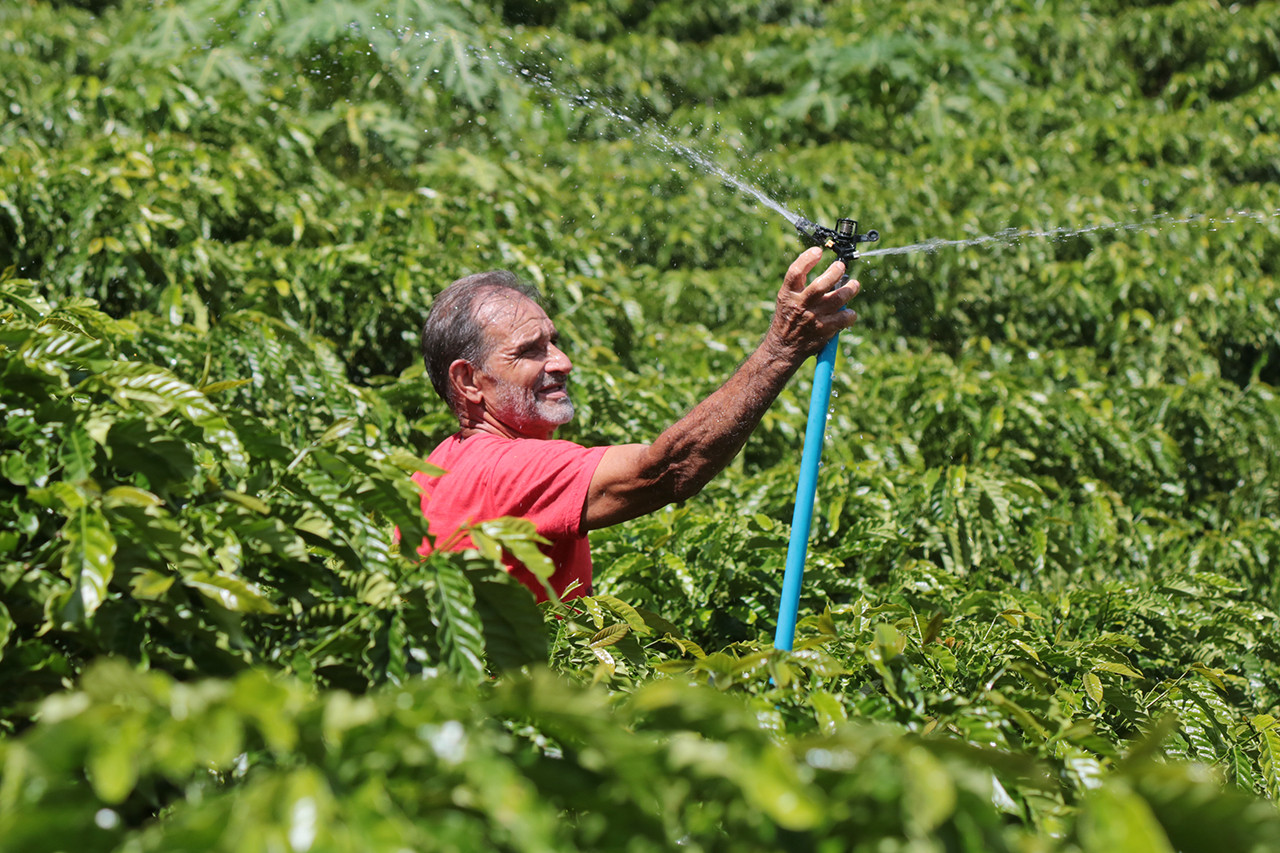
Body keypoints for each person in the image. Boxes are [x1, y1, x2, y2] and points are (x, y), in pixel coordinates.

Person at [414, 247, 859, 601]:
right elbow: (667, 469)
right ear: (468, 381)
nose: (562, 362)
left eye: (554, 342)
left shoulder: (434, 469)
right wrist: (781, 349)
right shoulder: (510, 471)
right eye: (530, 350)